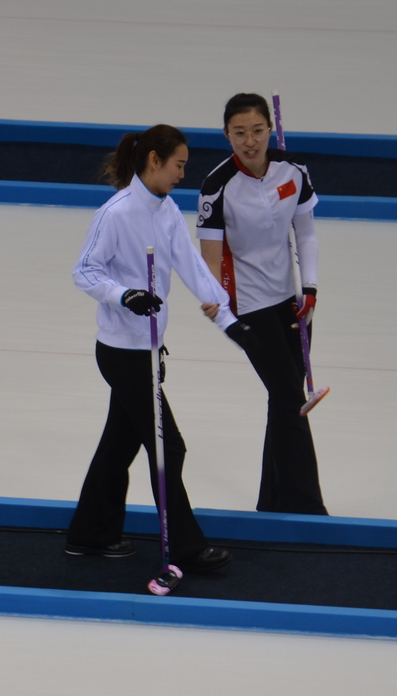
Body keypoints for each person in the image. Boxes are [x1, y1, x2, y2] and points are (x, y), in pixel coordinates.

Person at [66, 123, 264, 572]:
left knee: (119, 446)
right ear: (154, 161)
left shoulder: (168, 210)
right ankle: (187, 548)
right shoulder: (115, 213)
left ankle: (89, 535)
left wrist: (229, 321)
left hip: (150, 351)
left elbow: (192, 266)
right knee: (167, 448)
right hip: (122, 352)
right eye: (178, 165)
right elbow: (84, 271)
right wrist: (125, 295)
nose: (181, 174)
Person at [196, 93, 329, 515]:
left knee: (282, 400)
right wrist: (225, 318)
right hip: (248, 307)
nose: (249, 141)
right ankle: (307, 507)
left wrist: (309, 289)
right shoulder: (216, 187)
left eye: (256, 131)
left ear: (270, 129)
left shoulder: (294, 170)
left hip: (292, 302)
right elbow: (210, 262)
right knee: (292, 399)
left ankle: (271, 505)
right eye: (239, 134)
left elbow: (305, 232)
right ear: (226, 136)